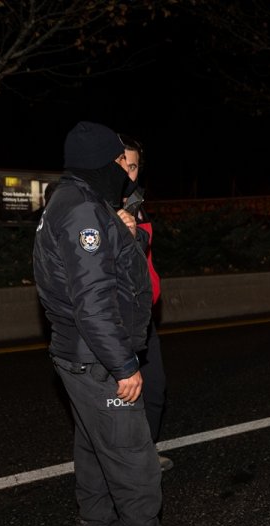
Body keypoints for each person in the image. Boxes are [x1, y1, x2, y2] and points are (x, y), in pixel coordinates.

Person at [33, 121, 203, 526]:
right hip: (98, 360)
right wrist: (124, 365)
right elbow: (93, 300)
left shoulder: (65, 201)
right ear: (101, 164)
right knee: (135, 464)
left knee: (91, 452)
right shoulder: (86, 209)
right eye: (117, 164)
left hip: (75, 357)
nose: (124, 175)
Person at [116, 134, 173, 472]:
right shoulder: (94, 210)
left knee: (154, 389)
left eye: (133, 165)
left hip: (143, 318)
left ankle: (144, 452)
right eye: (121, 163)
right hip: (113, 322)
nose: (127, 171)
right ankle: (120, 469)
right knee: (118, 398)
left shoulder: (138, 207)